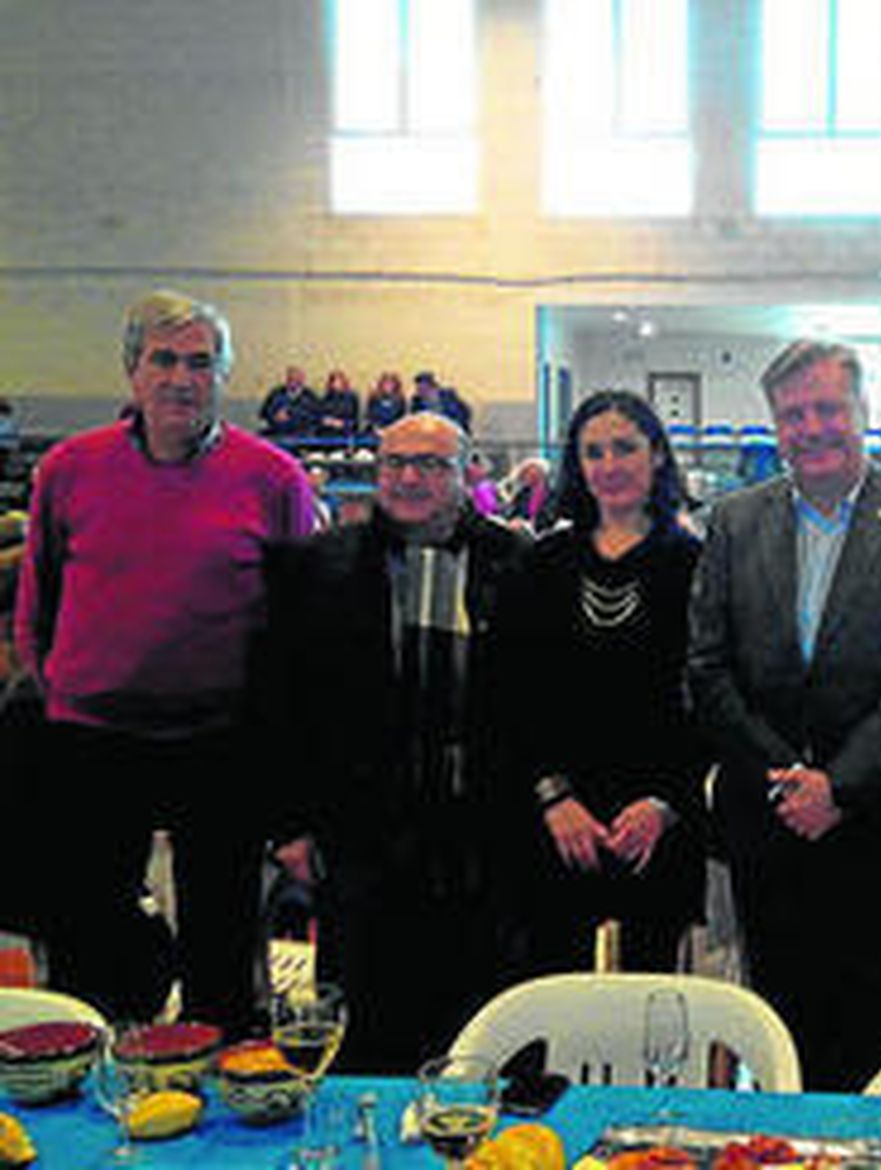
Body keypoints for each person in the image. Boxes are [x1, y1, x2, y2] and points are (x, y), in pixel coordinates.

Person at [14, 290, 320, 1031]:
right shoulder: (68, 469)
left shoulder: (274, 478)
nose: (181, 379)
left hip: (222, 741)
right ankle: (91, 1090)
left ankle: (218, 1101)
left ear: (222, 377)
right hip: (93, 736)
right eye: (164, 360)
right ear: (132, 371)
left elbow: (300, 622)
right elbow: (38, 599)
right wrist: (58, 685)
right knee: (89, 934)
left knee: (220, 942)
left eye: (200, 363)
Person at [687, 339, 881, 1090]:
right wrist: (786, 781)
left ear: (864, 413)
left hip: (877, 823)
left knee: (876, 1034)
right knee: (784, 1030)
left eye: (827, 409)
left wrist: (838, 787)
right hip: (768, 824)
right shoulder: (735, 521)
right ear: (774, 425)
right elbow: (708, 670)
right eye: (792, 414)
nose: (811, 428)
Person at [258, 412, 529, 1070]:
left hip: (481, 839)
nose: (410, 477)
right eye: (395, 463)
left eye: (431, 464)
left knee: (477, 1035)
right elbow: (280, 704)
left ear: (468, 473)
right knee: (368, 1037)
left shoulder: (516, 563)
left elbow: (538, 699)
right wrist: (288, 827)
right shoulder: (319, 567)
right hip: (362, 838)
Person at [496, 391, 706, 977]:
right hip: (558, 818)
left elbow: (713, 701)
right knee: (548, 993)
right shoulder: (541, 564)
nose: (609, 466)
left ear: (658, 456)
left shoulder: (698, 565)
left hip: (657, 821)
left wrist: (666, 803)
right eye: (593, 452)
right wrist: (554, 797)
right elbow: (511, 696)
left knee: (652, 1005)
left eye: (625, 448)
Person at [257, 365, 317, 438]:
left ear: (301, 380)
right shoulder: (276, 393)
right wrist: (275, 416)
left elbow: (313, 416)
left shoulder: (309, 396)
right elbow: (264, 413)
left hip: (300, 435)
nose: (291, 381)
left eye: (295, 379)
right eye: (289, 378)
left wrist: (290, 414)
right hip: (278, 432)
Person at [501, 456, 551, 533]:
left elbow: (551, 516)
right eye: (525, 473)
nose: (527, 476)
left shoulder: (552, 492)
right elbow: (510, 512)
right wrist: (514, 520)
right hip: (523, 533)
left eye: (529, 472)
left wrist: (531, 523)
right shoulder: (523, 493)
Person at [311, 369, 360, 438]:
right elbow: (319, 415)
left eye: (338, 381)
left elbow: (355, 419)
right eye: (333, 381)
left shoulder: (351, 397)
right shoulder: (327, 398)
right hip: (327, 432)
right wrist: (325, 421)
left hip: (345, 432)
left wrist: (343, 423)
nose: (335, 384)